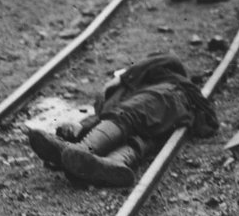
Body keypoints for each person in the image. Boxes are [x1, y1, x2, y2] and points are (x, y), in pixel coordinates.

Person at [27, 53, 219, 188]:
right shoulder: (125, 96)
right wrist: (77, 128)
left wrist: (123, 78)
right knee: (140, 137)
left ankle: (83, 150)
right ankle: (113, 164)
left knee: (128, 116)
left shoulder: (163, 75)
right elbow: (104, 120)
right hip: (164, 117)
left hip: (165, 98)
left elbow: (170, 60)